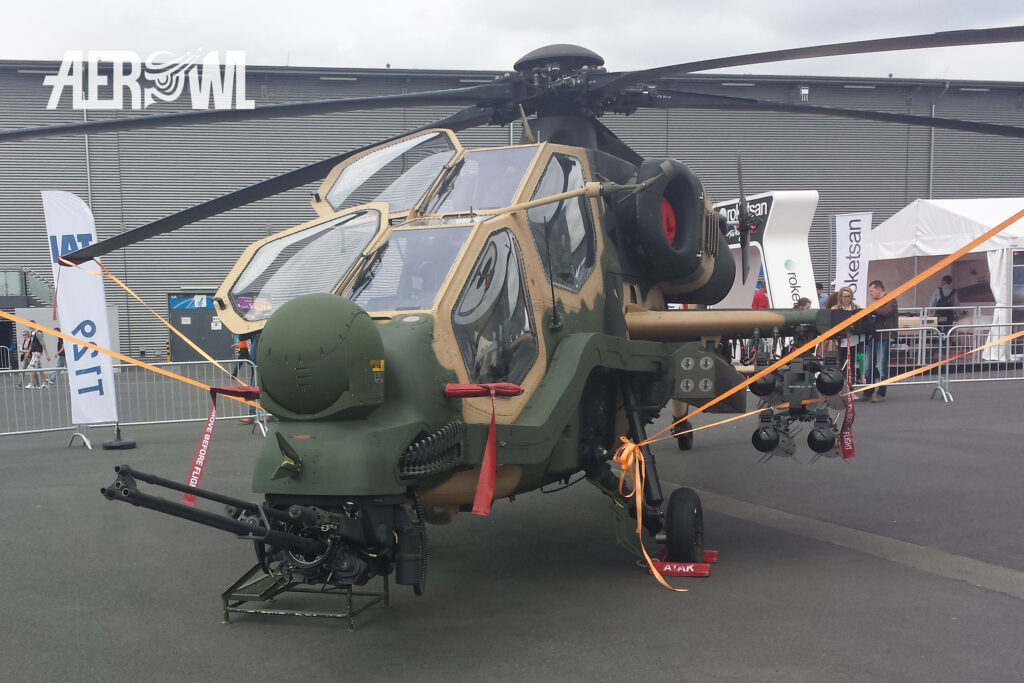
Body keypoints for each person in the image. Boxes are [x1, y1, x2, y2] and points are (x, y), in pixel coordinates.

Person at [862, 280, 898, 403]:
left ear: (879, 289)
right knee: (868, 366)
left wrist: (871, 310)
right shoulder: (877, 303)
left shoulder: (891, 300)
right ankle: (868, 392)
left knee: (882, 365)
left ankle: (881, 393)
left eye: (871, 291)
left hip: (885, 337)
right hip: (874, 336)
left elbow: (885, 312)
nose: (870, 293)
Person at [831, 287, 865, 391]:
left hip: (853, 341)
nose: (847, 298)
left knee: (852, 363)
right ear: (840, 297)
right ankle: (841, 387)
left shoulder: (856, 307)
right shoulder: (835, 309)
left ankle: (850, 387)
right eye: (845, 296)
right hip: (840, 341)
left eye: (849, 296)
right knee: (842, 363)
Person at [25, 325, 51, 389]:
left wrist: (47, 354)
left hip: (37, 351)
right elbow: (31, 344)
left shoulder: (38, 333)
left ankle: (31, 383)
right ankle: (44, 383)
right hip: (34, 351)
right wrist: (28, 352)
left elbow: (43, 343)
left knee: (33, 367)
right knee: (40, 368)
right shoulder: (32, 333)